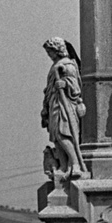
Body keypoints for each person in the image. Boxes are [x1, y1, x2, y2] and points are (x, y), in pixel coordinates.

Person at [41, 37, 87, 179]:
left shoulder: (68, 66)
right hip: (54, 103)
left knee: (64, 134)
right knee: (55, 135)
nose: (49, 55)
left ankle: (75, 164)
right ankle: (63, 165)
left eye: (50, 52)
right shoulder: (56, 65)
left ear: (57, 50)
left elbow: (75, 87)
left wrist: (65, 85)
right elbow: (49, 88)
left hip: (65, 104)